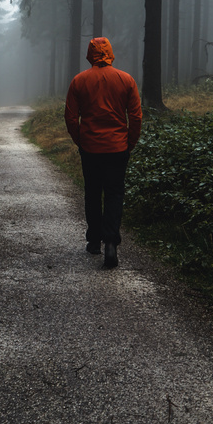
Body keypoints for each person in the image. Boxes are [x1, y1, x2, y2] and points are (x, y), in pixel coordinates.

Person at [64, 37, 142, 269]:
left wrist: (81, 140)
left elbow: (70, 117)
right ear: (110, 52)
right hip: (118, 147)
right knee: (114, 194)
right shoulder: (126, 79)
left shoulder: (79, 81)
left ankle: (94, 241)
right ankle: (110, 242)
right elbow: (136, 117)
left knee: (92, 193)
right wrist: (130, 143)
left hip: (90, 148)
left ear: (89, 53)